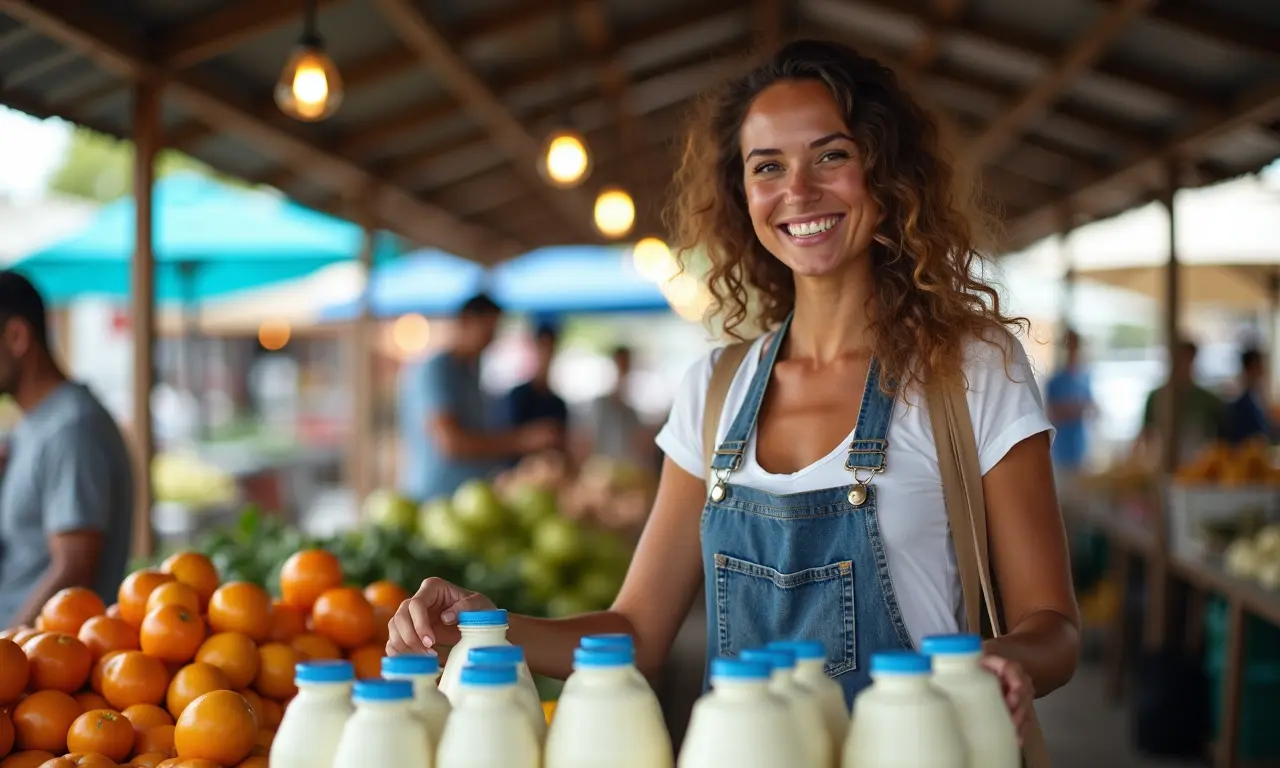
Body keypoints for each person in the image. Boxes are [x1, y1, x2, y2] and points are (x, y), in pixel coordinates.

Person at [387, 40, 1079, 734]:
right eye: (767, 166)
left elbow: (1052, 627)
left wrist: (1007, 660)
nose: (799, 191)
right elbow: (637, 630)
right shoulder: (715, 390)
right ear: (742, 194)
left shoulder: (970, 370)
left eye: (831, 155)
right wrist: (483, 625)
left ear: (886, 168)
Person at [0, 271, 134, 628]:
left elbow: (73, 571)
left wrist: (8, 650)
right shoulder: (32, 424)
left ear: (16, 337)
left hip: (34, 668)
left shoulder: (72, 430)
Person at [397, 294, 561, 502]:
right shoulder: (435, 370)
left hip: (469, 498)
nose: (490, 341)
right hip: (436, 498)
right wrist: (521, 440)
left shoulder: (471, 374)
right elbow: (452, 443)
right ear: (466, 321)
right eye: (487, 331)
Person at [1135, 339, 1224, 467]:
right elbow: (1145, 436)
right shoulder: (1157, 397)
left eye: (1187, 359)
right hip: (1162, 464)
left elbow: (1220, 440)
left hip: (1199, 467)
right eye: (1179, 359)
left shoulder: (1208, 400)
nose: (1183, 364)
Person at [574, 345, 651, 467]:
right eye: (620, 365)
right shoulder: (598, 405)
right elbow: (583, 439)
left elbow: (638, 445)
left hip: (624, 471)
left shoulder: (630, 412)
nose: (622, 372)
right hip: (598, 469)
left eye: (626, 366)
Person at [504, 323, 569, 454]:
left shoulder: (558, 403)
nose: (546, 354)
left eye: (550, 348)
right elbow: (504, 438)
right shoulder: (518, 396)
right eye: (543, 347)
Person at [1044, 329, 1093, 475]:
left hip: (1080, 449)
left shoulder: (1084, 378)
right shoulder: (1055, 381)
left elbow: (1090, 407)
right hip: (1060, 452)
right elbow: (1052, 413)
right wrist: (1074, 409)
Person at [1222, 347, 1274, 445]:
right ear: (1249, 370)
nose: (1261, 373)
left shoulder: (1259, 400)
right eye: (1258, 368)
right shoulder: (1239, 405)